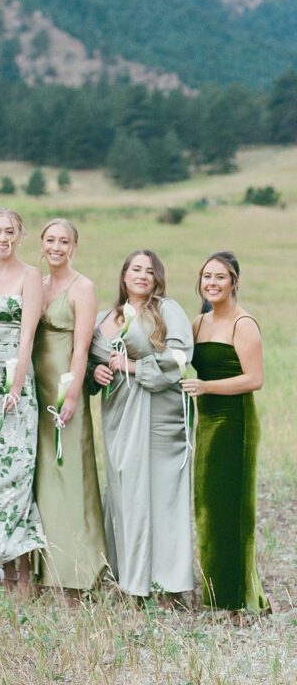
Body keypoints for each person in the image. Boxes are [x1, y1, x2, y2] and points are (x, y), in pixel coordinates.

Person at [89, 249, 194, 600]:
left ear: (157, 278)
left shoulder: (167, 310)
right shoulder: (104, 317)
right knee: (126, 494)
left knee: (161, 494)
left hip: (158, 414)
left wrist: (134, 366)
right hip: (118, 415)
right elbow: (90, 362)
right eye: (136, 269)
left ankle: (167, 583)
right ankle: (131, 578)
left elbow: (179, 357)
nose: (142, 276)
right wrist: (96, 372)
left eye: (150, 271)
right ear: (124, 275)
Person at [180, 251, 269, 613]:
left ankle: (237, 597)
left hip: (235, 423)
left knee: (232, 507)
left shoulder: (243, 324)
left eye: (220, 277)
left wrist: (206, 387)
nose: (212, 283)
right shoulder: (198, 323)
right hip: (207, 421)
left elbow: (255, 379)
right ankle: (214, 592)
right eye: (207, 276)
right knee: (208, 505)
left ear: (234, 282)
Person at [33, 219, 106, 595]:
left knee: (70, 470)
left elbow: (81, 347)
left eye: (64, 241)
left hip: (64, 387)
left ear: (74, 247)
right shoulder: (37, 284)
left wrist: (74, 393)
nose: (56, 247)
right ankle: (43, 567)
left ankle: (79, 569)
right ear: (41, 244)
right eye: (50, 240)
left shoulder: (83, 287)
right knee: (43, 475)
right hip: (35, 390)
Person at [0, 209, 45, 591]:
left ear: (19, 235)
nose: (3, 238)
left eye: (10, 231)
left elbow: (28, 334)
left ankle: (23, 572)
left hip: (17, 380)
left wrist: (15, 387)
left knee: (17, 471)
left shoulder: (30, 275)